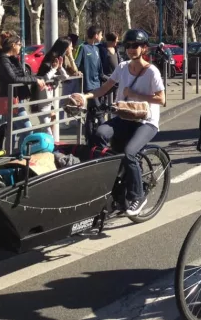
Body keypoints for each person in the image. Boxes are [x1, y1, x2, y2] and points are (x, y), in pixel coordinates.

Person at [70, 29, 165, 217]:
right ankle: (114, 181)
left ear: (144, 48)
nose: (131, 49)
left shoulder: (151, 71)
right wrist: (85, 96)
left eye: (135, 46)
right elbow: (104, 88)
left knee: (130, 153)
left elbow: (161, 99)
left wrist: (135, 95)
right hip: (124, 117)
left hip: (146, 121)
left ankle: (138, 195)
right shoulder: (122, 67)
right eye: (128, 46)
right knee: (100, 134)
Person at [0, 34, 45, 148]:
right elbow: (13, 78)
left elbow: (22, 75)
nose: (21, 47)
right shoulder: (4, 61)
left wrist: (36, 78)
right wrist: (34, 80)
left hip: (17, 98)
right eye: (19, 45)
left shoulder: (12, 59)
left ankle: (13, 154)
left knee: (13, 129)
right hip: (10, 100)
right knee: (27, 129)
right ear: (13, 45)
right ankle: (20, 153)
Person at [75, 26, 109, 141]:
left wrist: (108, 80)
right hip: (88, 86)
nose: (101, 37)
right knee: (99, 112)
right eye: (100, 34)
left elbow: (100, 70)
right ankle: (106, 135)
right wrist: (77, 71)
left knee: (91, 112)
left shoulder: (97, 49)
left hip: (98, 85)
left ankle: (89, 137)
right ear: (96, 35)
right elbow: (75, 65)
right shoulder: (82, 48)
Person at [31, 37, 70, 135]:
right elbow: (44, 79)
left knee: (48, 129)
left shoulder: (55, 66)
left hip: (50, 104)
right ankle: (47, 146)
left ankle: (45, 145)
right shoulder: (48, 65)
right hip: (42, 105)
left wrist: (60, 68)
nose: (71, 49)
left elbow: (65, 77)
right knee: (47, 130)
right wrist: (54, 69)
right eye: (70, 47)